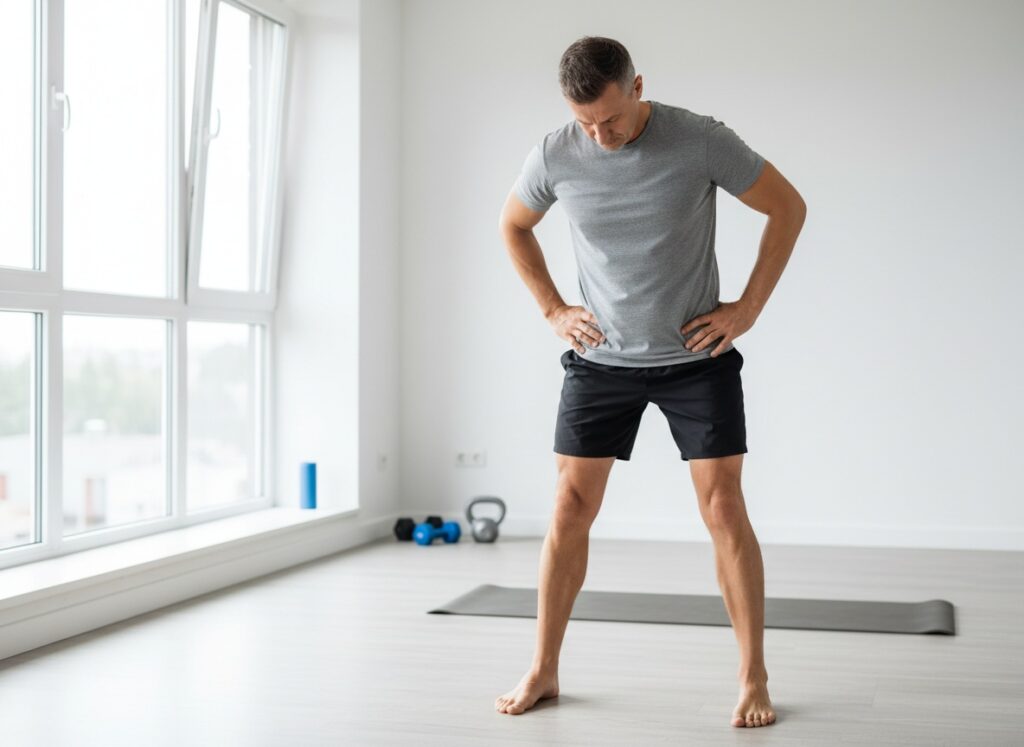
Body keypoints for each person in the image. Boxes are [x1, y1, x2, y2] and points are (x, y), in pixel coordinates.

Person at [494, 36, 806, 728]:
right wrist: (552, 309)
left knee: (723, 508)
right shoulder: (554, 154)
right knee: (569, 507)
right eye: (584, 123)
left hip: (696, 357)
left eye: (609, 119)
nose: (599, 136)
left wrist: (748, 308)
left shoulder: (700, 140)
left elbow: (788, 206)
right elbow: (514, 226)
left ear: (638, 88)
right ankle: (544, 667)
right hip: (601, 362)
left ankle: (753, 675)